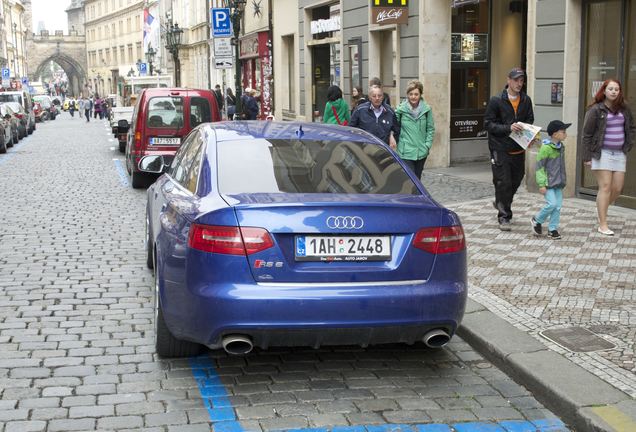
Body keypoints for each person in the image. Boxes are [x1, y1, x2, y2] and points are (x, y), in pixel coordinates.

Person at [581, 78, 635, 236]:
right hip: (601, 152)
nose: (613, 91)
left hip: (619, 153)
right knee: (605, 186)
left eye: (616, 89)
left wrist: (628, 144)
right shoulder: (596, 110)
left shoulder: (624, 109)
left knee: (617, 188)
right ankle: (603, 224)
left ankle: (601, 207)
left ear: (619, 92)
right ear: (604, 91)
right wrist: (587, 157)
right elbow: (587, 134)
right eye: (610, 89)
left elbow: (631, 128)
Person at [484, 67, 535, 231]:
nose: (519, 84)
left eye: (521, 81)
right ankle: (504, 216)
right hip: (500, 148)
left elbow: (530, 120)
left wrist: (528, 131)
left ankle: (501, 201)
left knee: (516, 180)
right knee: (503, 182)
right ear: (508, 80)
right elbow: (488, 124)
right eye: (516, 80)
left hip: (518, 148)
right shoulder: (496, 100)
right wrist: (508, 128)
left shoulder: (526, 100)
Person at [531, 120, 571, 240]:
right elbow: (539, 166)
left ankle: (552, 229)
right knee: (552, 204)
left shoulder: (561, 147)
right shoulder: (546, 148)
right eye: (563, 132)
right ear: (554, 134)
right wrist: (541, 184)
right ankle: (537, 220)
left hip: (558, 182)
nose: (565, 134)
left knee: (557, 206)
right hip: (548, 183)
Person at [395, 79, 435, 179]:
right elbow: (394, 127)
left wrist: (427, 146)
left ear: (420, 94)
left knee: (417, 179)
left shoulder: (427, 110)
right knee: (411, 179)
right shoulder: (400, 110)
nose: (413, 97)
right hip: (405, 152)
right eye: (411, 94)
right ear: (407, 94)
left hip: (421, 152)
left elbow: (430, 129)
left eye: (416, 94)